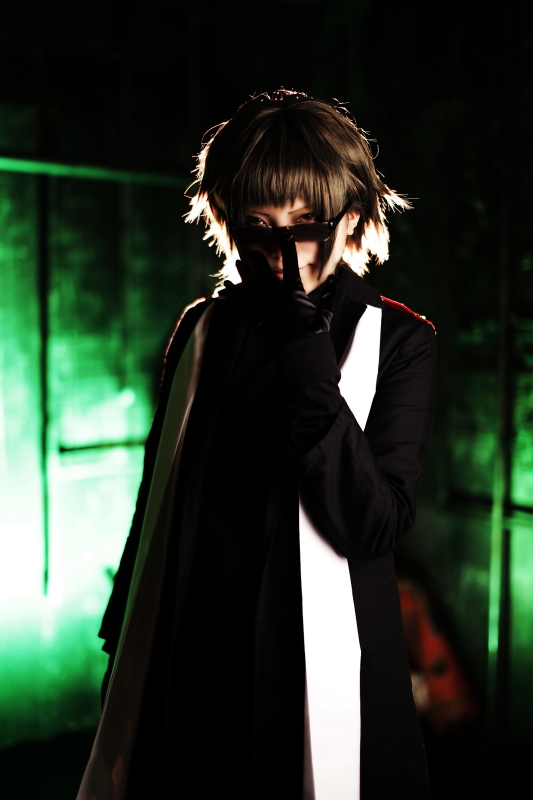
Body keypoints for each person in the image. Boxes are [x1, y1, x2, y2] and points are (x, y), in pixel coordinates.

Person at [77, 90, 437, 800]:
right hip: (193, 663)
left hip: (318, 673)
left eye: (305, 226)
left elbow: (372, 524)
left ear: (352, 216)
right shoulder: (202, 328)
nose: (281, 253)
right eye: (258, 226)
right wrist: (124, 636)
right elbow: (161, 497)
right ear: (227, 219)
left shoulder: (398, 341)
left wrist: (305, 353)